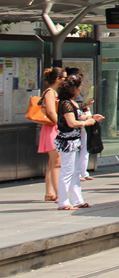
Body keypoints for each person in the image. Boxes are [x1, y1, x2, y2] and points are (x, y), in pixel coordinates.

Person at [55, 73, 103, 210]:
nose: (80, 90)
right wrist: (87, 122)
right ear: (73, 89)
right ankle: (63, 201)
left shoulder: (71, 103)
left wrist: (92, 117)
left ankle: (77, 200)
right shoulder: (65, 104)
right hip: (67, 141)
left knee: (75, 171)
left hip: (73, 140)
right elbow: (72, 122)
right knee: (67, 170)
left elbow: (78, 116)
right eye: (79, 87)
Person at [38, 67, 64, 202]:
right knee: (57, 162)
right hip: (51, 129)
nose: (65, 81)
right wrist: (59, 123)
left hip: (51, 129)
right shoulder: (50, 92)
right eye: (63, 78)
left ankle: (49, 192)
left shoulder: (53, 92)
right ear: (57, 79)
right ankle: (59, 194)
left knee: (51, 162)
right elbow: (51, 111)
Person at [65, 68, 95, 182]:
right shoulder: (68, 102)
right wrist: (85, 120)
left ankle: (81, 172)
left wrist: (88, 118)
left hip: (77, 126)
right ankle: (79, 173)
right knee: (78, 151)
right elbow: (73, 118)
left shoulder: (69, 101)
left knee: (82, 147)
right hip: (70, 134)